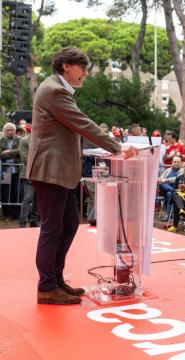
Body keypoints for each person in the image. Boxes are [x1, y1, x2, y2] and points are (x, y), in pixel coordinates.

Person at [28, 47, 136, 305]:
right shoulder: (55, 91)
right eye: (82, 68)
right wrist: (117, 146)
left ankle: (54, 279)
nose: (85, 73)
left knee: (68, 224)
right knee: (52, 229)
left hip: (58, 170)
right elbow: (83, 123)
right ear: (66, 66)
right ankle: (46, 287)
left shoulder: (57, 88)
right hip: (50, 169)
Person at [18, 125, 39, 228]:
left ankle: (34, 220)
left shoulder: (43, 139)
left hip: (40, 174)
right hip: (28, 174)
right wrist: (41, 164)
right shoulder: (24, 140)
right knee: (28, 198)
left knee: (38, 198)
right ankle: (23, 222)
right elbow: (25, 158)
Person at [0, 122, 21, 219]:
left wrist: (8, 152)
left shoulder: (20, 140)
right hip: (6, 170)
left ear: (15, 131)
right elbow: (1, 154)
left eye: (11, 129)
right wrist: (14, 153)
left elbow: (20, 151)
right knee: (6, 191)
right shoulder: (1, 140)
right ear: (4, 131)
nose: (9, 131)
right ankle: (7, 214)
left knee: (16, 191)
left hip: (17, 170)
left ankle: (16, 213)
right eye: (7, 130)